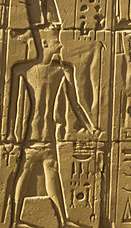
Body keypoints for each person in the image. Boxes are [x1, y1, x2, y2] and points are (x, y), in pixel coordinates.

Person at [5, 26, 96, 228]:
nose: (61, 44)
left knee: (50, 175)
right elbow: (13, 106)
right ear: (45, 43)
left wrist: (90, 127)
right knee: (24, 174)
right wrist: (9, 134)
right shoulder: (25, 71)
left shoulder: (62, 71)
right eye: (57, 40)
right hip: (32, 137)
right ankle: (14, 219)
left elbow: (76, 104)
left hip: (48, 138)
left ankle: (62, 220)